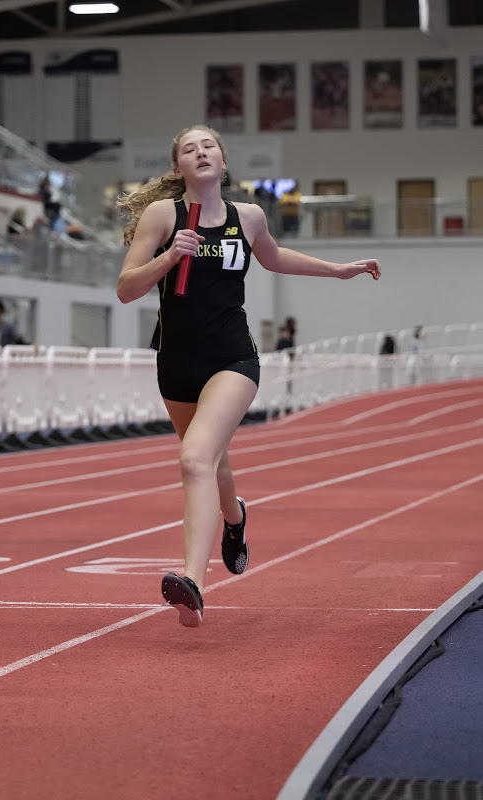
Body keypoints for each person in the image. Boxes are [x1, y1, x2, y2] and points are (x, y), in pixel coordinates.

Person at [116, 124, 381, 628]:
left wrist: (339, 270)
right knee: (212, 463)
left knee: (195, 457)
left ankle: (192, 582)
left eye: (208, 145)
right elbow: (127, 289)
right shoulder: (163, 216)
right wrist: (171, 255)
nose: (200, 153)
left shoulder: (249, 217)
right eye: (189, 150)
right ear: (179, 169)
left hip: (233, 358)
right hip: (175, 361)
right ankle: (234, 517)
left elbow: (276, 258)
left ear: (223, 159)